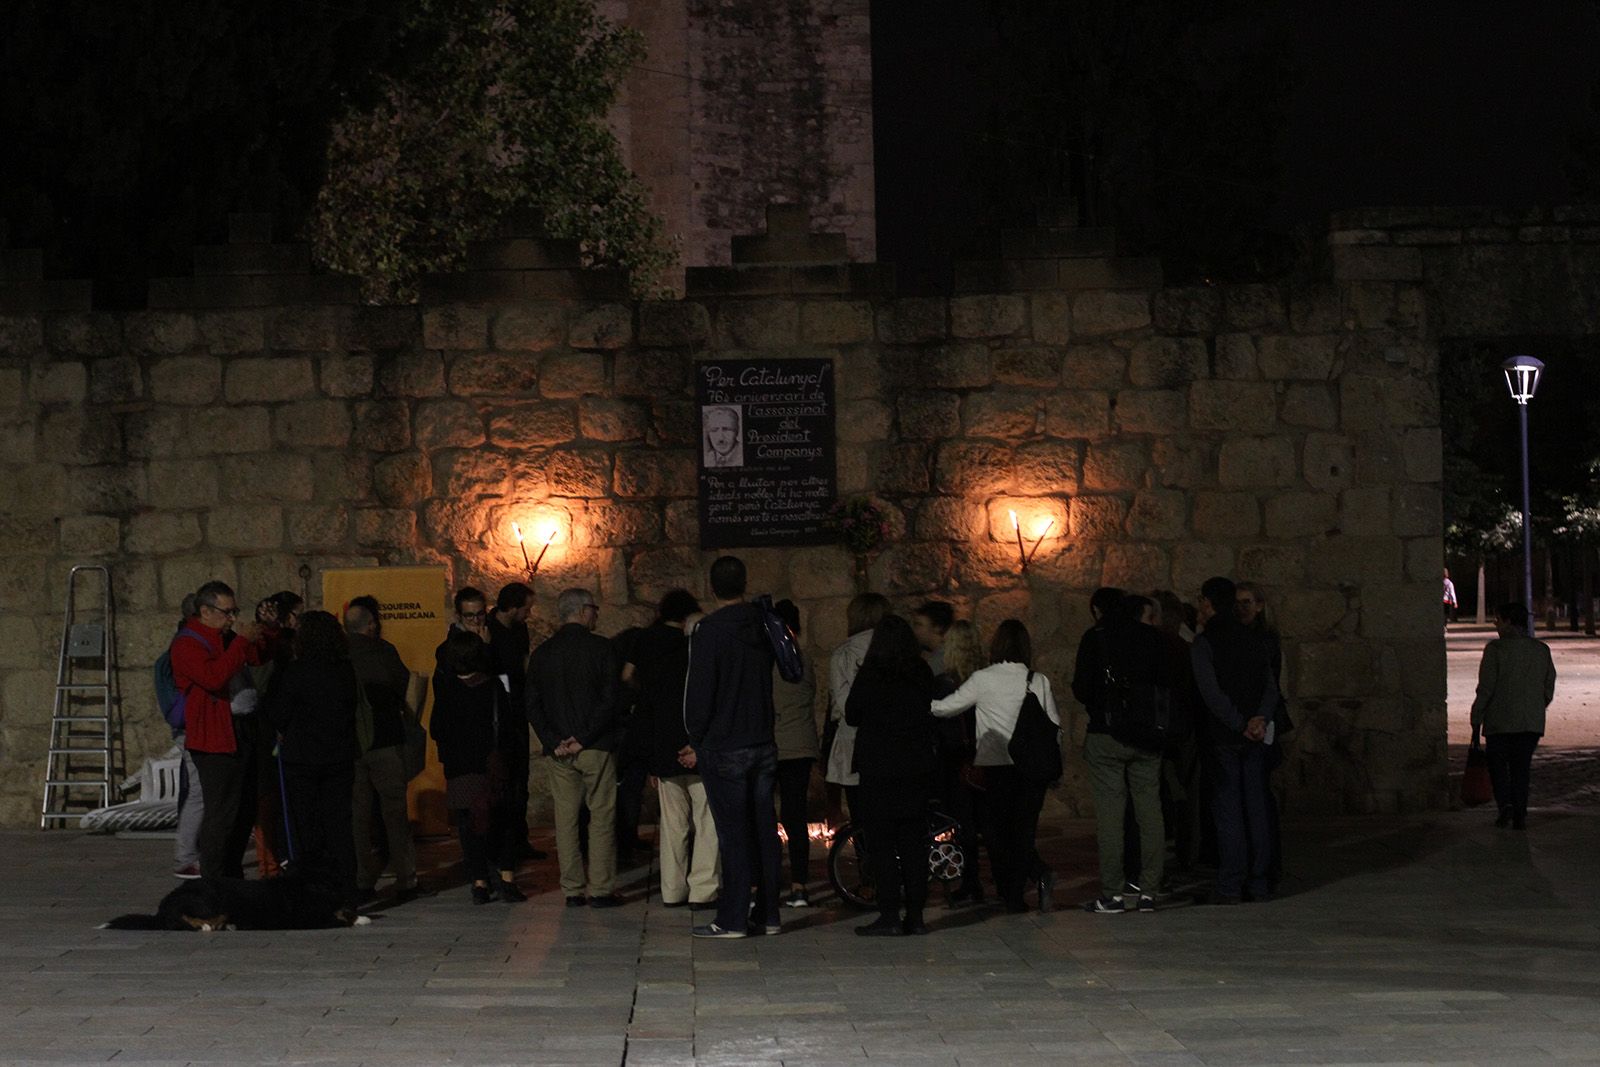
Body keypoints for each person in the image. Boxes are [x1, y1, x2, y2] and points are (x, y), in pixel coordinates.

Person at [683, 556, 782, 939]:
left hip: (725, 745)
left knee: (733, 834)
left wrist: (698, 736)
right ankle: (769, 913)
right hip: (761, 738)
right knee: (764, 830)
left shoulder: (710, 630)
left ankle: (733, 917)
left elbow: (701, 692)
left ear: (712, 587)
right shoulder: (762, 622)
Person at [931, 619, 1059, 914]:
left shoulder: (983, 679)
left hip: (996, 765)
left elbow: (947, 707)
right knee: (1024, 832)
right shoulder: (1037, 680)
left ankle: (1011, 894)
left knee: (997, 833)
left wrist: (918, 704)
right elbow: (1054, 726)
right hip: (1031, 770)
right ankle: (1017, 892)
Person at [526, 588, 624, 908]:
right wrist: (583, 737)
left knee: (565, 819)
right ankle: (600, 888)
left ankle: (571, 889)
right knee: (601, 816)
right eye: (594, 608)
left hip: (559, 752)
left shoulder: (542, 653)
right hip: (595, 746)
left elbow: (533, 704)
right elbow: (610, 699)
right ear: (582, 611)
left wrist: (554, 740)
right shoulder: (602, 648)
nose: (596, 614)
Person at [1077, 595, 1172, 914]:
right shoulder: (1152, 637)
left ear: (1098, 611)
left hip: (1106, 735)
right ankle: (1149, 891)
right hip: (1147, 736)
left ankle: (1113, 893)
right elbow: (1167, 684)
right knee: (1150, 810)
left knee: (1110, 815)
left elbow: (1081, 687)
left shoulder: (1095, 637)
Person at [846, 614, 939, 936]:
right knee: (914, 843)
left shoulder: (871, 674)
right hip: (915, 766)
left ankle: (889, 915)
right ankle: (916, 916)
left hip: (878, 768)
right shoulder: (921, 671)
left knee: (882, 845)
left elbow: (851, 714)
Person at [170, 580, 269, 880]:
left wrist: (266, 632)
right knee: (221, 812)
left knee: (244, 809)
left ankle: (231, 872)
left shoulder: (226, 638)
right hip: (214, 739)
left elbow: (256, 657)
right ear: (205, 611)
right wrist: (241, 643)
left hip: (241, 730)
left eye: (234, 612)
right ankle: (214, 879)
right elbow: (213, 677)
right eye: (227, 612)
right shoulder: (187, 644)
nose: (232, 619)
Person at [1191, 576, 1279, 905]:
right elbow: (1270, 686)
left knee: (1228, 810)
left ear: (1209, 603)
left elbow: (1211, 693)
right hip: (1254, 734)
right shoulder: (1254, 639)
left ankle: (1231, 883)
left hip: (1225, 736)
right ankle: (1258, 882)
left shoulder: (1205, 643)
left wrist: (1240, 723)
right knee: (1255, 809)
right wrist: (1260, 719)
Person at [629, 590, 719, 909]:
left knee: (672, 825)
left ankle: (672, 889)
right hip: (696, 745)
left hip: (663, 749)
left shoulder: (646, 645)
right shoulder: (696, 646)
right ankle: (703, 889)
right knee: (707, 820)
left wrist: (651, 758)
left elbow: (644, 703)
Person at [265, 610, 360, 910]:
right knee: (340, 827)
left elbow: (279, 714)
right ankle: (347, 891)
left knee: (307, 826)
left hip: (302, 759)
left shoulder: (296, 672)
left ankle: (314, 888)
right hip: (339, 757)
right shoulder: (344, 670)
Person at [432, 631, 525, 904]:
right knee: (504, 822)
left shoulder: (447, 690)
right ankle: (507, 878)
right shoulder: (494, 686)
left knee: (468, 826)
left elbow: (437, 729)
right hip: (492, 768)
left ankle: (480, 882)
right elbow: (508, 726)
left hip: (461, 769)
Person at [344, 599, 419, 903]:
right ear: (371, 625)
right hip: (386, 742)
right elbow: (404, 686)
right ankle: (406, 878)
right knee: (395, 814)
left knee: (358, 817)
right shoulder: (384, 651)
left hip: (353, 745)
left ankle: (363, 879)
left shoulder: (340, 654)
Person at [1470, 602, 1557, 830]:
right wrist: (1538, 705)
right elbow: (1548, 686)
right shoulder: (1541, 650)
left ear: (1508, 621)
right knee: (1521, 768)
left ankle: (1505, 806)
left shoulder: (1495, 650)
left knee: (1498, 766)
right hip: (1530, 722)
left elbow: (1486, 688)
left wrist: (1477, 716)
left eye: (1497, 619)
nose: (1495, 624)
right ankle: (1520, 811)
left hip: (1500, 720)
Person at [485, 582, 546, 862]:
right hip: (495, 713)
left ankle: (519, 839)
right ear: (511, 607)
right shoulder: (487, 630)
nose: (529, 615)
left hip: (517, 712)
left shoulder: (519, 630)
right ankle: (497, 841)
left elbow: (523, 663)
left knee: (520, 778)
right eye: (526, 608)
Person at [1236, 581, 1289, 889]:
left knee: (1259, 797)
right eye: (1238, 603)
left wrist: (1260, 718)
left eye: (1247, 602)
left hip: (1261, 722)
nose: (1242, 608)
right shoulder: (1244, 637)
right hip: (1252, 720)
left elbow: (1270, 683)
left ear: (1259, 606)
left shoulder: (1265, 638)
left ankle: (1265, 867)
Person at [1152, 589, 1208, 874]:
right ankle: (1188, 854)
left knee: (1159, 794)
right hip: (1185, 727)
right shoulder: (1190, 648)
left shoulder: (1159, 648)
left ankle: (1162, 857)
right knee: (1187, 796)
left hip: (1165, 730)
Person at [932, 618, 985, 905]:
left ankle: (970, 880)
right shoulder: (986, 678)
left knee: (959, 823)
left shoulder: (945, 683)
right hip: (985, 758)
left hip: (956, 762)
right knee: (981, 823)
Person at [824, 593, 890, 825]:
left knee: (862, 817)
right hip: (892, 743)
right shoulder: (896, 650)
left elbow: (841, 705)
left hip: (854, 743)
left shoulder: (843, 653)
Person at [771, 599, 819, 908]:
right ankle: (800, 885)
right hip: (801, 745)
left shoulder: (770, 661)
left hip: (773, 745)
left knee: (765, 816)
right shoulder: (806, 659)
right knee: (795, 816)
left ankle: (768, 880)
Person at [250, 590, 300, 879]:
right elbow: (263, 684)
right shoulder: (270, 647)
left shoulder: (288, 644)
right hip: (271, 731)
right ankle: (272, 862)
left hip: (283, 728)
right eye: (296, 614)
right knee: (269, 799)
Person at [910, 600, 955, 676]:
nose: (914, 629)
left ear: (937, 627)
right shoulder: (938, 655)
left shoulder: (940, 660)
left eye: (919, 625)